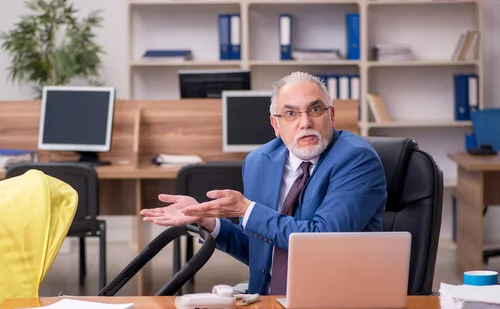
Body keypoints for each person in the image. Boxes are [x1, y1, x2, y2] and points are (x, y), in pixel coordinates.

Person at [140, 71, 387, 295]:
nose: (305, 123)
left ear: (331, 115)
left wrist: (246, 210)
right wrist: (205, 219)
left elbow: (321, 240)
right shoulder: (259, 161)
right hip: (265, 304)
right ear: (275, 125)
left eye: (315, 110)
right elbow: (260, 252)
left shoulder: (356, 159)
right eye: (291, 114)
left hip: (329, 302)